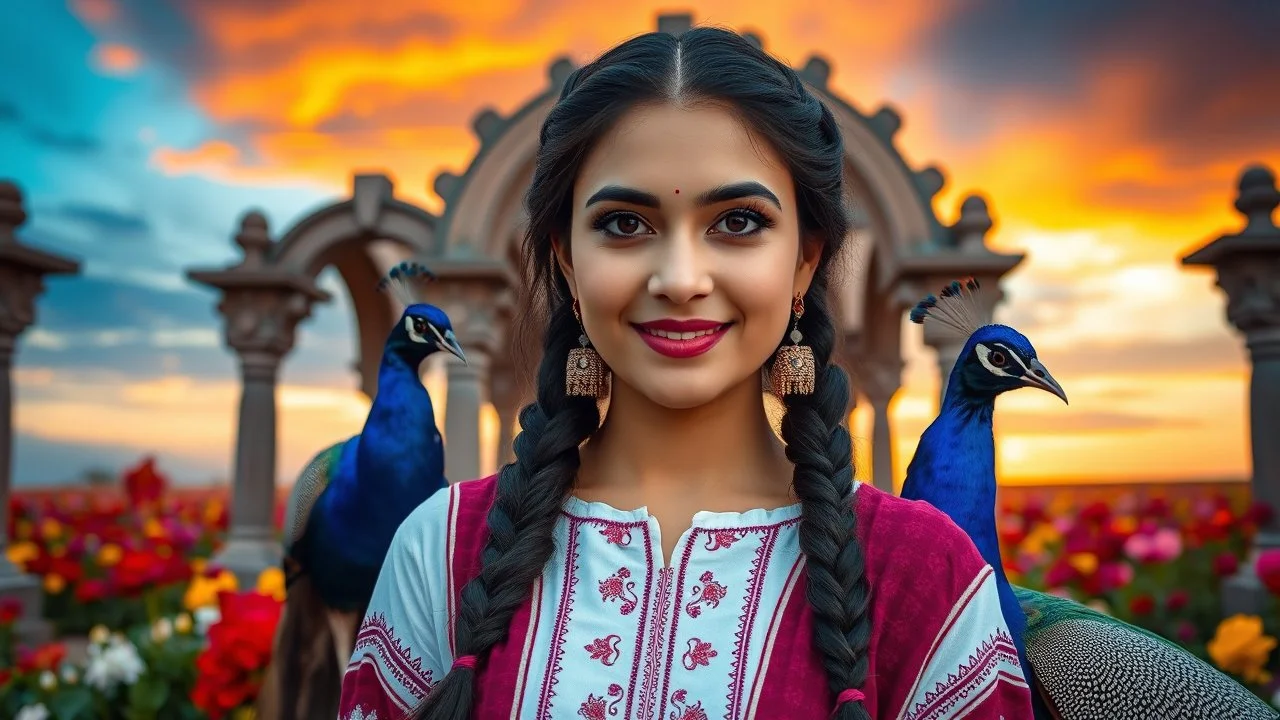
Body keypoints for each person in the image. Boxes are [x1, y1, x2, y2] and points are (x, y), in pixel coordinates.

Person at [338, 25, 1034, 720]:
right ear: (567, 261)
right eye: (623, 224)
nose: (679, 278)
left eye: (736, 222)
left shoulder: (924, 577)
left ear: (805, 260)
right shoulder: (441, 554)